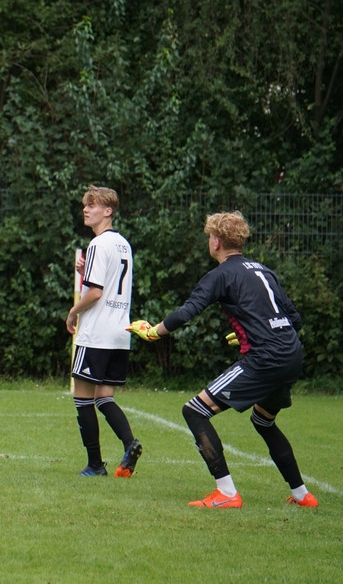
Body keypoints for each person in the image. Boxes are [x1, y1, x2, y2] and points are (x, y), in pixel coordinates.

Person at [127, 210, 318, 509]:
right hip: (291, 355)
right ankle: (303, 495)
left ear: (216, 242)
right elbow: (294, 319)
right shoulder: (264, 270)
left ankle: (227, 493)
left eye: (209, 237)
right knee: (263, 421)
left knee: (194, 411)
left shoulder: (221, 274)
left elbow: (187, 311)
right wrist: (250, 334)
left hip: (265, 358)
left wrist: (154, 332)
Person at [65, 186, 142, 478]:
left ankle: (95, 465)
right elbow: (107, 284)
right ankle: (130, 443)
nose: (85, 210)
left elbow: (96, 293)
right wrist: (85, 272)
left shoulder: (98, 243)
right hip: (120, 333)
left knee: (83, 398)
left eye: (92, 205)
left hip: (96, 333)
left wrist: (73, 311)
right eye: (85, 205)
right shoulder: (123, 244)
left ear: (108, 211)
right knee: (104, 396)